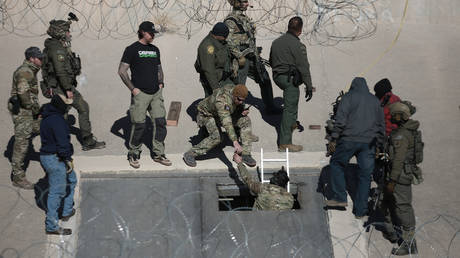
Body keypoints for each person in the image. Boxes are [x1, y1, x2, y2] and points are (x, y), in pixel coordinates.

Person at [41, 18, 105, 151]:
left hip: (63, 86)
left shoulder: (56, 45)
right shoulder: (57, 49)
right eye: (67, 31)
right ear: (60, 33)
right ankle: (66, 145)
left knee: (76, 109)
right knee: (70, 112)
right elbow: (60, 71)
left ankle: (80, 141)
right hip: (61, 88)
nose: (69, 34)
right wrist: (68, 89)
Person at [326, 77, 385, 218]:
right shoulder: (375, 101)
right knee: (365, 176)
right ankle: (360, 210)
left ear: (353, 86)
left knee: (336, 164)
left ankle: (340, 197)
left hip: (349, 140)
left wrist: (334, 138)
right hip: (369, 143)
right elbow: (381, 125)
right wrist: (379, 145)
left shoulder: (348, 97)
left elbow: (340, 120)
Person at [118, 21, 172, 168]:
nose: (153, 35)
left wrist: (161, 83)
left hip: (156, 93)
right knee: (139, 125)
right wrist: (133, 89)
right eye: (150, 33)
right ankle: (134, 153)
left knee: (160, 123)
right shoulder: (131, 49)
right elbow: (122, 71)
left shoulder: (155, 49)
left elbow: (159, 68)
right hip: (140, 94)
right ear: (142, 32)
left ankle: (158, 153)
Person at [224, 0, 281, 114]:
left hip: (253, 58)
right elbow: (228, 41)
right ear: (236, 3)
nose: (247, 4)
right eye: (244, 2)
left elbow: (249, 39)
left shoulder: (244, 19)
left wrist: (256, 53)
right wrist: (239, 56)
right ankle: (235, 113)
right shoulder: (231, 21)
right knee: (240, 87)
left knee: (264, 80)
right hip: (241, 61)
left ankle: (270, 107)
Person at [380, 102, 421, 255]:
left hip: (399, 177)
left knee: (403, 208)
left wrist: (392, 181)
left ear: (400, 116)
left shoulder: (401, 135)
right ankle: (392, 234)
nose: (391, 117)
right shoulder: (405, 131)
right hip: (399, 174)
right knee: (386, 202)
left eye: (393, 115)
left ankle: (410, 244)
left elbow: (398, 160)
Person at [183, 84, 257, 167]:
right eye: (239, 100)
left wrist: (242, 110)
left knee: (245, 120)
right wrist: (235, 141)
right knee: (217, 137)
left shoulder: (235, 92)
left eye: (243, 100)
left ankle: (246, 154)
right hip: (206, 115)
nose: (241, 102)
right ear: (234, 95)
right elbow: (226, 122)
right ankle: (190, 153)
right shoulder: (222, 101)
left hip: (221, 114)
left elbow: (235, 107)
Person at [269, 16, 314, 152]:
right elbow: (304, 66)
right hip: (289, 80)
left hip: (277, 77)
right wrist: (309, 86)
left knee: (292, 101)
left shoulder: (276, 42)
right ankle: (285, 143)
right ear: (300, 30)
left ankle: (292, 124)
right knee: (289, 109)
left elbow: (271, 61)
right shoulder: (298, 45)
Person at [40, 94, 77, 235]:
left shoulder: (48, 116)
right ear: (60, 106)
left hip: (51, 157)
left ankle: (67, 211)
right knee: (57, 192)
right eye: (66, 105)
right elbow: (63, 143)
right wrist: (67, 159)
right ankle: (52, 226)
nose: (68, 108)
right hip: (56, 159)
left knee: (72, 180)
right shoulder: (57, 121)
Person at [8, 47, 44, 189]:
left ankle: (51, 157)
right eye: (39, 58)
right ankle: (18, 177)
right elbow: (23, 93)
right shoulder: (25, 72)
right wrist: (34, 109)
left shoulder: (31, 70)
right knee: (21, 144)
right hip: (23, 112)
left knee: (43, 127)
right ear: (31, 59)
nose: (41, 60)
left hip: (28, 110)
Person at [195, 22, 234, 97]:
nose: (226, 38)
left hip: (222, 76)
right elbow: (208, 70)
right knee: (213, 102)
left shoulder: (220, 42)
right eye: (224, 36)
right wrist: (216, 89)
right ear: (218, 35)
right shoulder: (208, 46)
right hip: (212, 80)